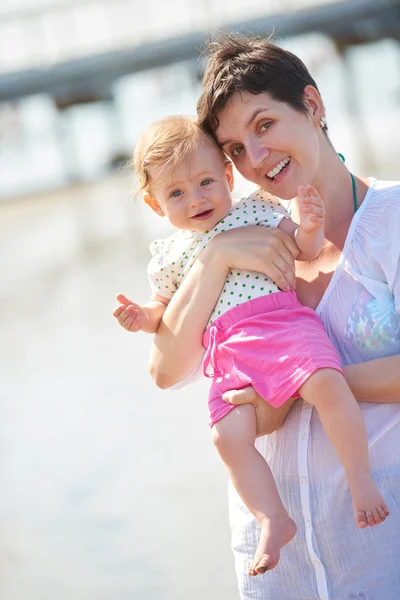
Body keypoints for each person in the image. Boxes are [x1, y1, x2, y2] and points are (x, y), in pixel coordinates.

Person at [142, 35, 400, 599]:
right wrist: (215, 259)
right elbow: (165, 371)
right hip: (278, 576)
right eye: (233, 149)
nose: (255, 159)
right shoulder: (237, 241)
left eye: (264, 125)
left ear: (312, 106)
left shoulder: (391, 220)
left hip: (382, 555)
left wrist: (295, 388)